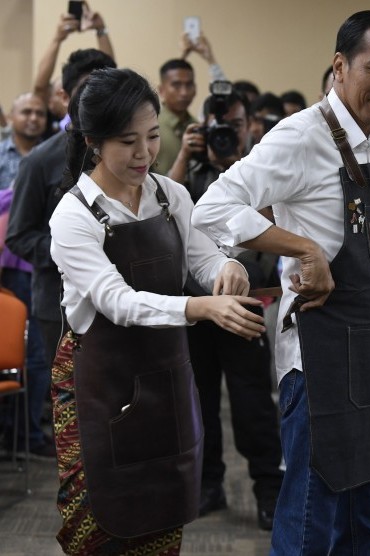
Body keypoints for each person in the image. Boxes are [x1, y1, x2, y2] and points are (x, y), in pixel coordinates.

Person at [192, 10, 370, 555]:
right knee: (310, 529)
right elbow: (212, 207)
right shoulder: (300, 136)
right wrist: (302, 247)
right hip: (321, 369)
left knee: (369, 527)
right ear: (340, 66)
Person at [48, 67, 266, 555]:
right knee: (99, 522)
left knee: (162, 515)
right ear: (93, 142)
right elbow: (117, 302)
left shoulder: (171, 196)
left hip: (164, 377)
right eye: (128, 142)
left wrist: (228, 270)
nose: (146, 154)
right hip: (98, 383)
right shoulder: (74, 215)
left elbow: (205, 259)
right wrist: (201, 306)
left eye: (151, 136)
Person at [169, 87, 284, 531]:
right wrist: (184, 155)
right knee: (197, 402)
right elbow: (163, 219)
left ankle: (268, 490)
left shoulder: (260, 173)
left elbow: (276, 233)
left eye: (235, 126)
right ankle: (209, 485)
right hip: (196, 308)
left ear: (249, 126)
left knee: (253, 404)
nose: (226, 134)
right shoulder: (188, 175)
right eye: (219, 127)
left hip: (246, 304)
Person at [6, 48, 116, 404]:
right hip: (59, 303)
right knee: (71, 405)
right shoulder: (40, 161)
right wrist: (73, 254)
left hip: (121, 294)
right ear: (65, 97)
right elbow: (19, 236)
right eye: (88, 89)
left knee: (116, 399)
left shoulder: (125, 153)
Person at [0, 92, 52, 459]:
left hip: (43, 262)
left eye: (39, 112)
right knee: (13, 352)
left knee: (36, 354)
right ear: (11, 117)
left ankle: (27, 433)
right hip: (8, 263)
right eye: (26, 112)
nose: (33, 118)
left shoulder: (53, 155)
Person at [32, 5, 114, 140]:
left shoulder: (100, 117)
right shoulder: (46, 123)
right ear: (52, 102)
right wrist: (57, 39)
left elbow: (110, 74)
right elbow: (40, 87)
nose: (82, 93)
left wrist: (101, 30)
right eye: (60, 91)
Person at [155, 32, 228, 174]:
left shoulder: (197, 126)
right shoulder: (153, 126)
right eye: (176, 86)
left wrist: (210, 58)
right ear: (161, 90)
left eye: (189, 85)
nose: (184, 92)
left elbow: (225, 96)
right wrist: (181, 56)